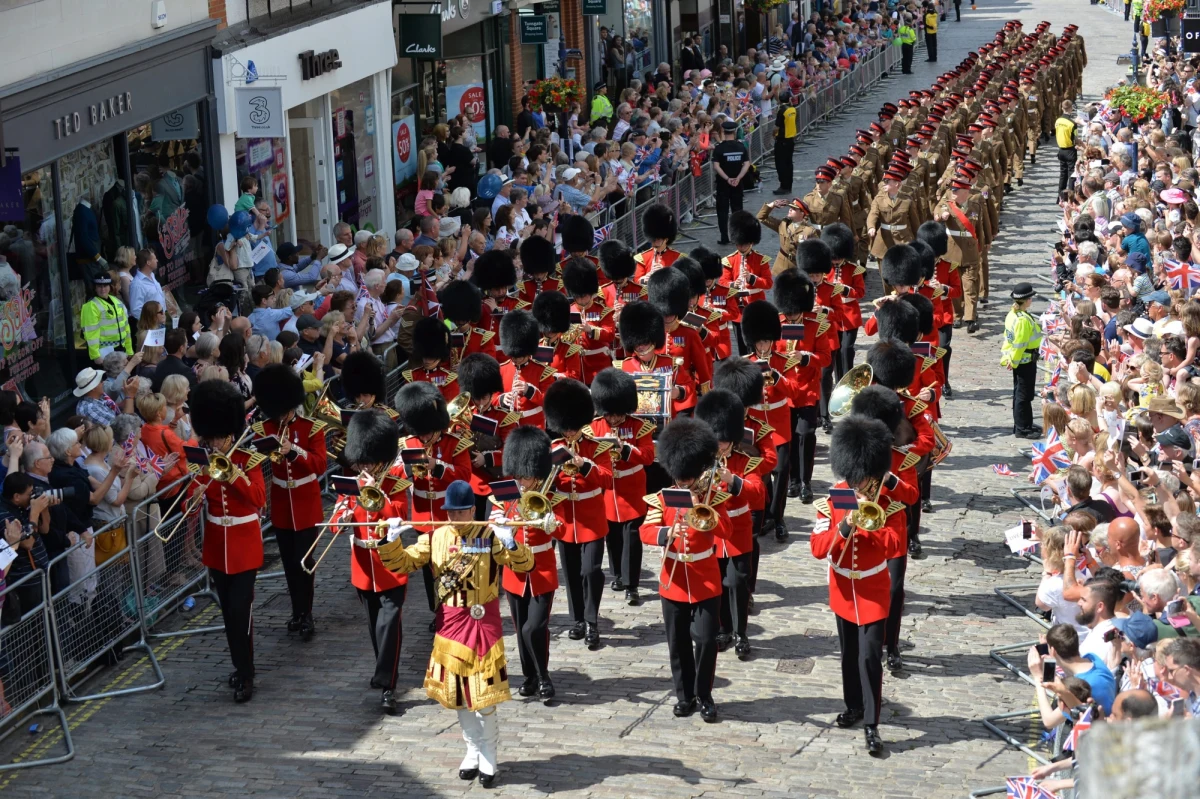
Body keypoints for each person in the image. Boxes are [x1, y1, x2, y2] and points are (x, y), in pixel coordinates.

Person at [375, 479, 533, 788]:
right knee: (458, 694)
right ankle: (472, 750)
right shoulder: (435, 537)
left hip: (482, 620)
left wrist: (511, 542)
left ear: (473, 509)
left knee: (484, 696)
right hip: (450, 622)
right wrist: (390, 540)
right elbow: (402, 564)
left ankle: (489, 752)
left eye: (461, 513)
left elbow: (525, 565)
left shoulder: (489, 535)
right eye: (451, 513)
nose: (456, 519)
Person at [810, 416, 902, 755]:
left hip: (873, 590)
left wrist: (873, 522)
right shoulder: (832, 500)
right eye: (858, 479)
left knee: (868, 657)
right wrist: (847, 525)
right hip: (842, 589)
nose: (863, 485)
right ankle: (854, 706)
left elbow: (895, 544)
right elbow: (819, 549)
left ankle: (873, 724)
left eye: (866, 479)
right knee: (849, 656)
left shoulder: (887, 504)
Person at [640, 417, 734, 723]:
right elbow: (645, 530)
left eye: (688, 476)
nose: (684, 481)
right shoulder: (662, 498)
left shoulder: (713, 495)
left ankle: (704, 694)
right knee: (678, 644)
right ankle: (685, 696)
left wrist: (700, 508)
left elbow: (728, 532)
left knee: (706, 640)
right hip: (673, 580)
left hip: (705, 578)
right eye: (680, 477)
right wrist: (665, 534)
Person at [189, 380, 268, 703]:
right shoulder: (203, 463)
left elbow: (258, 498)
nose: (216, 443)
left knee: (241, 614)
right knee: (228, 616)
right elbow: (192, 502)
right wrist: (192, 500)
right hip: (217, 549)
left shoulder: (248, 461)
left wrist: (234, 474)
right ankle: (240, 666)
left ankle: (246, 675)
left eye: (219, 437)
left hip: (244, 546)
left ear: (231, 434)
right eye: (212, 437)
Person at [332, 409, 410, 712]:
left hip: (391, 563)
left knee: (390, 624)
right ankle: (384, 673)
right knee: (375, 627)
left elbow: (399, 517)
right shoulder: (353, 481)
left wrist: (376, 493)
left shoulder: (397, 478)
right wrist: (345, 514)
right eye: (361, 461)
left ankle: (387, 684)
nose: (364, 467)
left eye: (369, 461)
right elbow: (338, 518)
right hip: (363, 564)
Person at [251, 364, 328, 642]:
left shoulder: (311, 428)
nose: (281, 414)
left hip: (306, 503)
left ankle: (306, 613)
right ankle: (297, 611)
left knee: (305, 563)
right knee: (288, 564)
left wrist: (293, 451)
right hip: (282, 503)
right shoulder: (265, 427)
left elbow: (320, 465)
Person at [543, 379, 612, 650]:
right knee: (572, 573)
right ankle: (578, 620)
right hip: (566, 520)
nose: (570, 432)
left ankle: (592, 621)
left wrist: (584, 465)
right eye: (566, 427)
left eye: (573, 427)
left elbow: (606, 479)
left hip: (592, 517)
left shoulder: (597, 447)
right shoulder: (554, 448)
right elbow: (546, 486)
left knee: (591, 570)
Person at [493, 426, 559, 700]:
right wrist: (499, 525)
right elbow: (494, 521)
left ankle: (544, 676)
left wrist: (552, 522)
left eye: (528, 475)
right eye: (519, 474)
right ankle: (530, 676)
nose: (523, 480)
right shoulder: (505, 495)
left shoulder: (550, 496)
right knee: (521, 629)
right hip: (514, 571)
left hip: (542, 568)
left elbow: (562, 528)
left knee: (535, 626)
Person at [1000, 282, 1042, 440]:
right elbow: (1019, 344)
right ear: (1027, 300)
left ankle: (1025, 423)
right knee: (1024, 396)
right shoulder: (1023, 319)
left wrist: (1008, 358)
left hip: (1019, 360)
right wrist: (1014, 360)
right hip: (1025, 361)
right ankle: (1022, 428)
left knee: (1019, 394)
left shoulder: (1012, 314)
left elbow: (1008, 339)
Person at [712, 120, 750, 245]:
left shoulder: (719, 148)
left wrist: (727, 179)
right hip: (737, 183)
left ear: (723, 131)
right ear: (734, 132)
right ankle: (737, 236)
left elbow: (716, 166)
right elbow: (746, 164)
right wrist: (738, 178)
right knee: (738, 210)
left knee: (722, 211)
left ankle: (724, 237)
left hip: (723, 184)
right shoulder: (741, 147)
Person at [81, 273, 132, 365]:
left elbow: (126, 328)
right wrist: (96, 355)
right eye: (99, 286)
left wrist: (129, 350)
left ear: (110, 286)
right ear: (95, 288)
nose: (103, 289)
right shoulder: (91, 306)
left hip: (120, 349)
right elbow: (90, 333)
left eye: (105, 286)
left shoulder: (117, 302)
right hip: (104, 352)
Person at [150, 329, 197, 394]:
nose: (187, 345)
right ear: (181, 348)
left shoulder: (159, 365)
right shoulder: (186, 371)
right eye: (186, 343)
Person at [773, 93, 798, 195]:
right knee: (789, 163)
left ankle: (783, 185)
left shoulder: (781, 110)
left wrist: (773, 135)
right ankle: (789, 185)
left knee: (780, 163)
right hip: (790, 139)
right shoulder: (793, 109)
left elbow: (777, 127)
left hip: (782, 140)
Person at [1055, 100, 1079, 195]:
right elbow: (1076, 139)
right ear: (1071, 108)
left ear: (1062, 108)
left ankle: (1060, 194)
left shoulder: (1057, 121)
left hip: (1061, 150)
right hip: (1070, 150)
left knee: (1062, 174)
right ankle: (1070, 195)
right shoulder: (1073, 123)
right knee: (1072, 174)